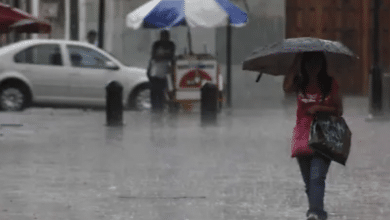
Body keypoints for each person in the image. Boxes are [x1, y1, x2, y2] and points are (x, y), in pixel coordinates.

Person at [283, 52, 343, 220]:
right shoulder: (299, 83)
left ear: (322, 64)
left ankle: (315, 212)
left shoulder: (330, 84)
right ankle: (317, 213)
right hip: (302, 138)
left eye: (316, 63)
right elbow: (286, 88)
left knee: (317, 177)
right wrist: (295, 62)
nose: (313, 67)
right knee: (309, 182)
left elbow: (339, 110)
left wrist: (319, 109)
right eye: (309, 63)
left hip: (323, 137)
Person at [148, 30, 176, 113]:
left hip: (165, 71)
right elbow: (154, 56)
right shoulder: (156, 44)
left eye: (166, 36)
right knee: (154, 90)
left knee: (162, 90)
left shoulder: (171, 44)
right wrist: (163, 56)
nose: (164, 38)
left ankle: (160, 107)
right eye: (163, 36)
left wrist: (161, 56)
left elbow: (171, 56)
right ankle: (155, 107)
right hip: (155, 71)